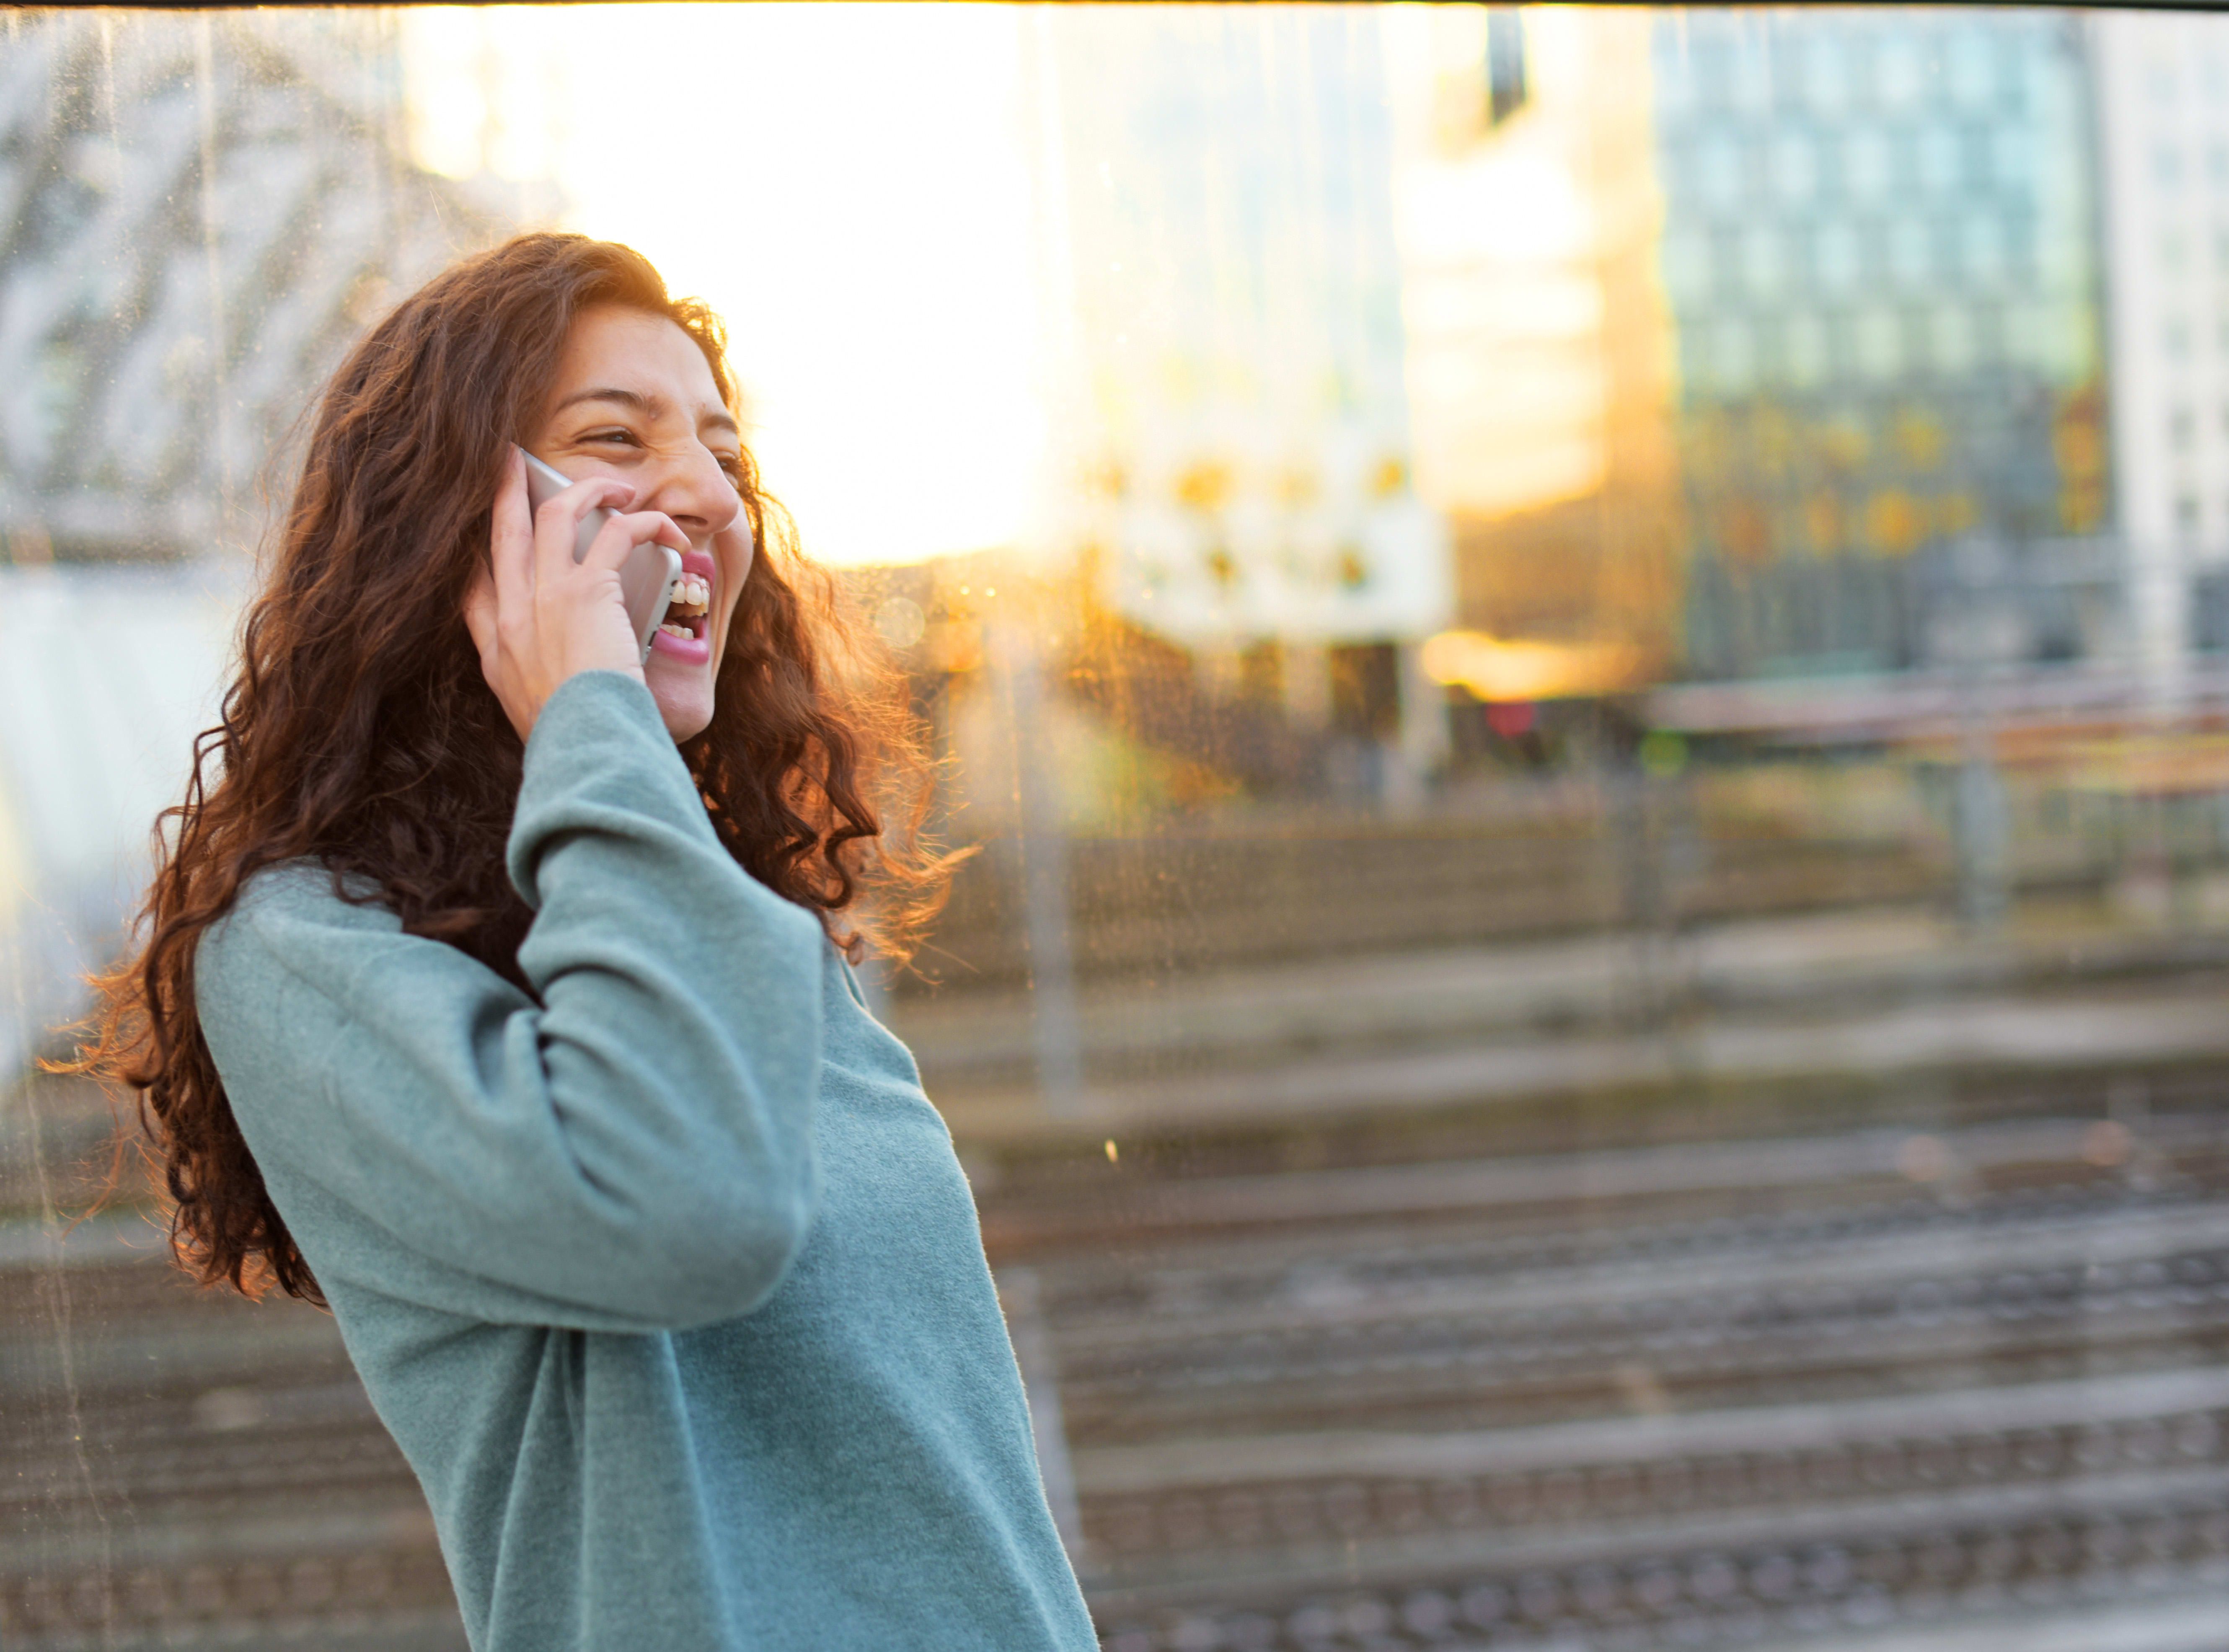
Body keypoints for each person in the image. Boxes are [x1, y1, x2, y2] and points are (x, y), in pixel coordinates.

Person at [67, 234, 1099, 1651]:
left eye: (724, 456)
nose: (703, 493)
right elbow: (687, 1211)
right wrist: (591, 718)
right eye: (614, 438)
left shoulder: (729, 904)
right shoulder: (294, 949)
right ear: (448, 524)